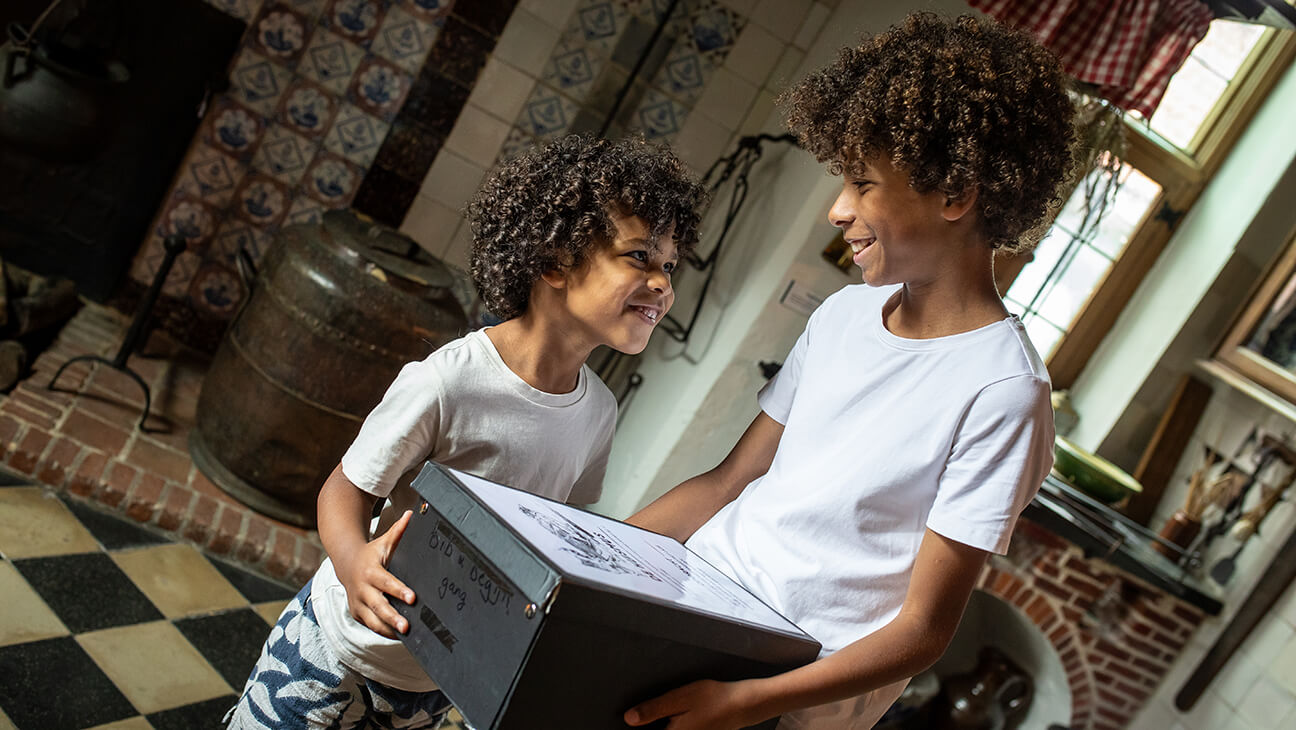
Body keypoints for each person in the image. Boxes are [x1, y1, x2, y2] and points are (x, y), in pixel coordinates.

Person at [623, 12, 1076, 730]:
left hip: (781, 697)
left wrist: (745, 703)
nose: (838, 209)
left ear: (956, 194)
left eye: (863, 183)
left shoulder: (1004, 392)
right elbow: (726, 484)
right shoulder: (841, 317)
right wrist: (589, 566)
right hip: (694, 610)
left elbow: (924, 630)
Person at [226, 134, 706, 729]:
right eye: (639, 257)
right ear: (554, 262)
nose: (662, 283)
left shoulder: (598, 413)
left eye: (668, 266)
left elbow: (545, 535)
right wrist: (354, 566)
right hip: (340, 650)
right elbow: (342, 492)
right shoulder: (447, 382)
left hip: (440, 679)